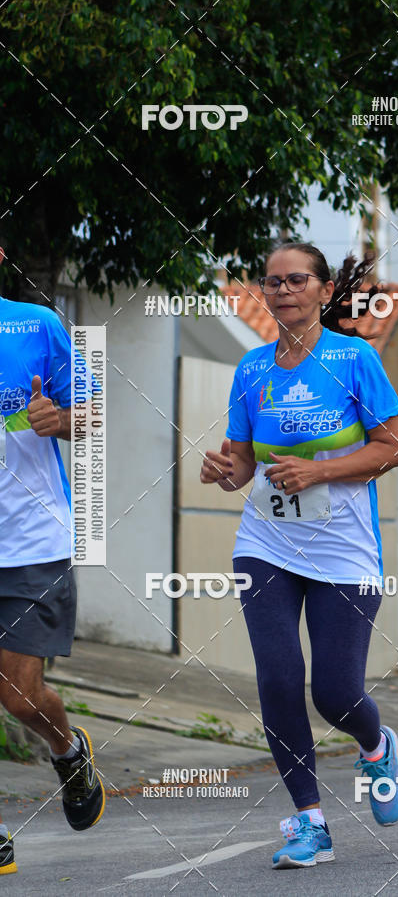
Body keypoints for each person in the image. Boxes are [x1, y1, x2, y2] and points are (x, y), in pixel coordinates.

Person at [201, 242, 398, 869]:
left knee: (336, 693)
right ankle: (309, 821)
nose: (283, 289)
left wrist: (321, 473)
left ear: (323, 290)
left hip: (344, 551)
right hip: (266, 543)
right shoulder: (251, 368)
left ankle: (376, 746)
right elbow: (241, 464)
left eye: (297, 280)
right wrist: (223, 469)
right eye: (272, 281)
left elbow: (394, 448)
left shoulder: (355, 359)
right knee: (278, 679)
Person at [0, 276, 105, 876]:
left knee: (17, 695)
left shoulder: (38, 323)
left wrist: (58, 417)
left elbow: (94, 417)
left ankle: (68, 751)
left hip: (32, 544)